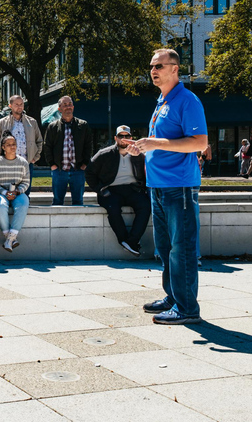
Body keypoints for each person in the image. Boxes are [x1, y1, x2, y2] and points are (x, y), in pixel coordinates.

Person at [125, 48, 207, 325]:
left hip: (179, 186)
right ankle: (173, 297)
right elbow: (163, 142)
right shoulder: (162, 101)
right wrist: (143, 148)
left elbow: (199, 143)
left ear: (175, 69)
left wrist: (155, 143)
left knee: (181, 247)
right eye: (151, 66)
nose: (153, 70)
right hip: (158, 185)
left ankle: (187, 309)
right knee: (165, 246)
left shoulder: (187, 100)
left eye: (159, 65)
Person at [86, 125, 150, 256]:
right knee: (113, 208)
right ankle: (123, 239)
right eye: (121, 136)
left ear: (131, 138)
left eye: (127, 136)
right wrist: (99, 189)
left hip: (133, 188)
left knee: (146, 206)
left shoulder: (138, 155)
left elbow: (146, 173)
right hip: (111, 189)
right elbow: (89, 173)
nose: (124, 139)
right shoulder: (104, 154)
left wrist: (143, 187)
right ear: (116, 138)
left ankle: (132, 241)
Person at [43, 95, 92, 205]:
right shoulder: (53, 127)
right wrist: (52, 165)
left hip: (78, 170)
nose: (68, 107)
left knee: (78, 201)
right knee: (57, 202)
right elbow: (47, 146)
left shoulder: (83, 125)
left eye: (70, 104)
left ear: (73, 107)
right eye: (65, 105)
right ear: (59, 109)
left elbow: (88, 146)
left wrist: (85, 163)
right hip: (59, 171)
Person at [0, 94, 43, 197]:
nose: (19, 107)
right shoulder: (2, 123)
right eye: (16, 104)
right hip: (6, 165)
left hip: (26, 163)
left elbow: (39, 141)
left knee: (24, 195)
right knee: (6, 194)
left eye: (21, 104)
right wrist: (0, 157)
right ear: (10, 106)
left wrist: (34, 158)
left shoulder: (32, 122)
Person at [0, 132, 31, 252]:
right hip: (1, 193)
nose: (12, 147)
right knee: (0, 205)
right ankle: (10, 238)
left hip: (18, 193)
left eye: (14, 144)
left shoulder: (23, 162)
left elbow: (26, 182)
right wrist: (4, 192)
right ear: (3, 147)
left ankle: (9, 239)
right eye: (9, 145)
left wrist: (18, 192)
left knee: (24, 203)